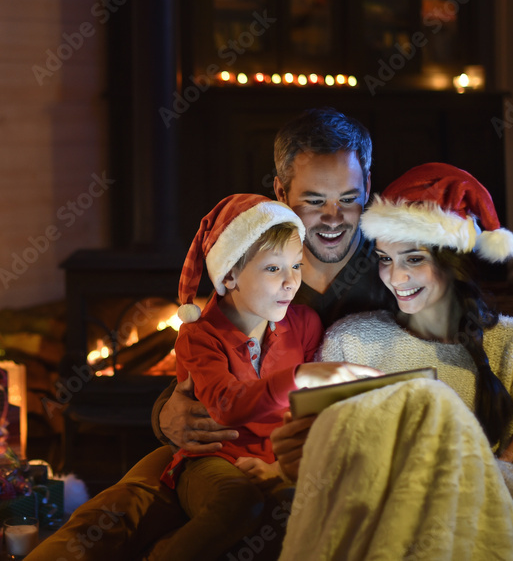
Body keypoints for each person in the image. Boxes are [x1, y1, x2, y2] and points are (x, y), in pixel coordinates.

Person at [162, 108, 513, 520]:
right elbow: (208, 357)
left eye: (348, 199)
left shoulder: (397, 266)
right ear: (281, 193)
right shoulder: (256, 273)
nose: (333, 219)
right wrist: (163, 413)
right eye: (315, 201)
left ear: (368, 187)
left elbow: (483, 335)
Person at [278, 162, 513, 559]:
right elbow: (334, 478)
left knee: (430, 404)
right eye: (385, 259)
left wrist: (421, 474)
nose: (395, 277)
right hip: (372, 537)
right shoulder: (351, 341)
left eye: (412, 259)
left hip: (469, 537)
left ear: (452, 261)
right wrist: (299, 463)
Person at [149, 194, 380, 561]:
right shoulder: (199, 337)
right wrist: (302, 375)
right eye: (273, 269)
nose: (291, 282)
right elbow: (225, 404)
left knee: (297, 509)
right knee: (237, 502)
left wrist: (279, 467)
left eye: (297, 266)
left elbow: (306, 414)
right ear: (230, 275)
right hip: (212, 458)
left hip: (277, 459)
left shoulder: (304, 324)